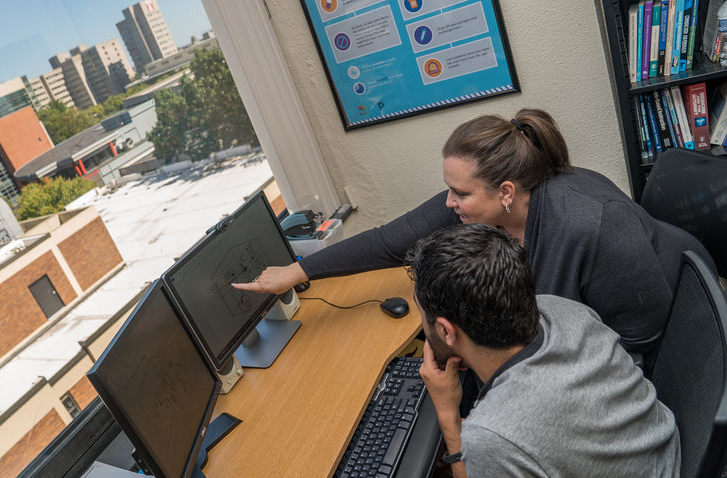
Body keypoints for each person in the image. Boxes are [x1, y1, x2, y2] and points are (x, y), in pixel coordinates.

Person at [233, 108, 713, 360]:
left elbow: (637, 341)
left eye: (459, 193)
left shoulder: (594, 225)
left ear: (504, 192)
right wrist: (298, 270)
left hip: (663, 339)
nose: (448, 203)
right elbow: (389, 239)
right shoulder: (486, 206)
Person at [408, 224, 680, 477]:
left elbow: (499, 436)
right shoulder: (560, 309)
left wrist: (449, 416)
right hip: (659, 453)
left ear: (446, 330)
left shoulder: (491, 436)